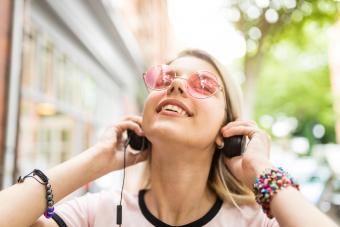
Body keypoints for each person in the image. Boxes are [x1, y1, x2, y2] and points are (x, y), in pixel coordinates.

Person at [0, 49, 337, 227]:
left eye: (203, 84)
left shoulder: (254, 222)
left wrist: (260, 169)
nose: (175, 85)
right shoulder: (96, 214)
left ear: (228, 132)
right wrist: (97, 161)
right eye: (165, 78)